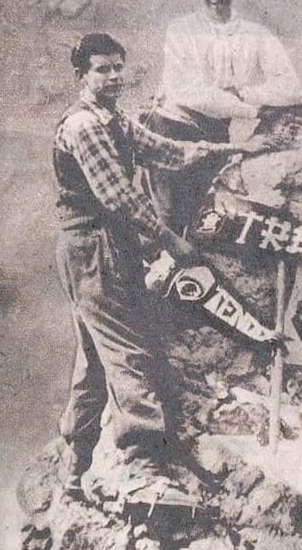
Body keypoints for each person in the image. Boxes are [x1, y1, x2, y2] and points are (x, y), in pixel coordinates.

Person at [53, 33, 278, 499]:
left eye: (118, 68)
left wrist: (232, 152)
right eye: (102, 69)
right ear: (82, 75)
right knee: (129, 351)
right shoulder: (84, 127)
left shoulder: (115, 120)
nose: (113, 77)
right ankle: (141, 470)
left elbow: (167, 151)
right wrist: (172, 242)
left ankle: (72, 470)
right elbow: (120, 197)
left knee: (95, 361)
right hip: (93, 248)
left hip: (107, 247)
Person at [144, 0, 302, 233]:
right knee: (171, 221)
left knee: (208, 221)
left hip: (218, 135)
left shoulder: (255, 34)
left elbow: (291, 88)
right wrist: (252, 109)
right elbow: (189, 92)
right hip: (173, 131)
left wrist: (244, 92)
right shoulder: (181, 30)